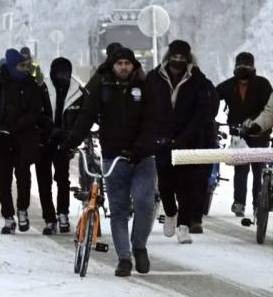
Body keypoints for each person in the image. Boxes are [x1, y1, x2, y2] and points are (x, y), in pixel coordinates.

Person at [60, 47, 159, 277]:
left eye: (127, 63)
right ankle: (124, 257)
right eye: (119, 63)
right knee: (118, 209)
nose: (123, 67)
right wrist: (71, 141)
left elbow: (153, 121)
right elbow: (87, 115)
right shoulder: (101, 85)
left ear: (133, 65)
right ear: (112, 66)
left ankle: (139, 246)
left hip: (142, 157)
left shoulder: (144, 86)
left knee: (145, 203)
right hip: (113, 156)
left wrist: (141, 148)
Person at [147, 40, 215, 242]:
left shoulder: (198, 80)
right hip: (162, 140)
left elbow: (202, 113)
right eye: (174, 56)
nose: (178, 61)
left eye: (182, 57)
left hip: (190, 141)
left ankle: (183, 225)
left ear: (188, 59)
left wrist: (185, 138)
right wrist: (156, 135)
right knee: (165, 184)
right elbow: (148, 108)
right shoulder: (154, 78)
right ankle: (170, 212)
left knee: (187, 186)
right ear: (169, 57)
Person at [0, 49, 46, 234]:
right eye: (21, 66)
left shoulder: (31, 84)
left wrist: (20, 124)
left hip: (23, 138)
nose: (25, 69)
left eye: (26, 65)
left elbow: (35, 111)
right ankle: (8, 216)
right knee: (3, 180)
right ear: (12, 66)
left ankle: (22, 209)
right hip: (1, 138)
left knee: (23, 177)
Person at [216, 52, 271, 217]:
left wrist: (255, 123)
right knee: (240, 170)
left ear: (253, 67)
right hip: (237, 134)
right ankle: (239, 202)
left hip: (259, 133)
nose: (243, 69)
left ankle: (258, 203)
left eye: (246, 66)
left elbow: (269, 109)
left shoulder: (262, 84)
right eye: (240, 66)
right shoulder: (228, 85)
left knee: (258, 170)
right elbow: (211, 97)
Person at [36, 57, 84, 235]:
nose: (62, 76)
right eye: (59, 73)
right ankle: (49, 219)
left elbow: (84, 116)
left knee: (62, 180)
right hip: (43, 140)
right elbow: (37, 113)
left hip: (64, 143)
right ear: (52, 73)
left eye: (65, 73)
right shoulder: (43, 89)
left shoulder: (78, 92)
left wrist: (71, 135)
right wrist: (50, 128)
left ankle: (63, 214)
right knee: (43, 182)